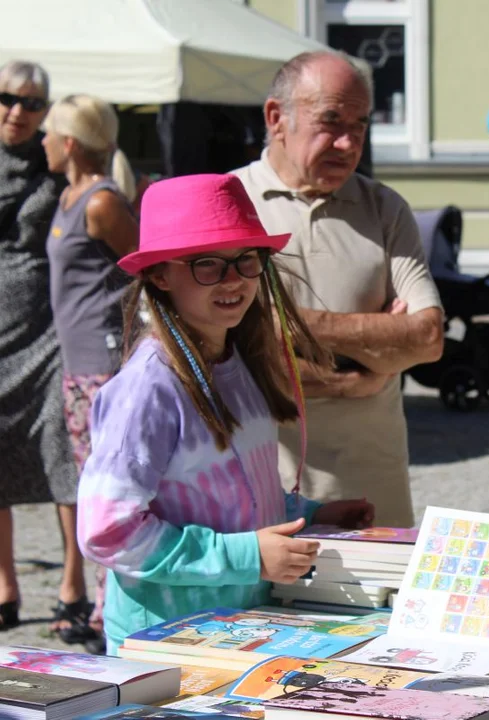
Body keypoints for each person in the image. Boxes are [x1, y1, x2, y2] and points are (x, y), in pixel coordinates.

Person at [76, 174, 376, 654]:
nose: (233, 278)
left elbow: (229, 493)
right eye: (206, 265)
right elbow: (107, 530)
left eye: (245, 260)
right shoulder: (146, 389)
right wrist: (247, 556)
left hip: (238, 629)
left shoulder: (236, 359)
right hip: (164, 643)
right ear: (159, 275)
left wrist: (311, 515)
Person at [233, 51, 443, 528]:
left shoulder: (385, 208)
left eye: (361, 125)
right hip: (265, 498)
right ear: (276, 118)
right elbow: (235, 360)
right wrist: (369, 364)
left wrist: (291, 322)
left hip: (376, 492)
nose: (348, 143)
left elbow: (428, 338)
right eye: (330, 121)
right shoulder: (230, 204)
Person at [42, 94, 140, 650]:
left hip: (103, 371)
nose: (43, 142)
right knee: (89, 488)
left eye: (49, 133)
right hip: (77, 371)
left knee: (109, 492)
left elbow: (146, 266)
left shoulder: (101, 203)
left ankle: (109, 613)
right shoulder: (70, 196)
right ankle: (106, 607)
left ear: (70, 142)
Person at [0, 60, 81, 633]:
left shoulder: (56, 165)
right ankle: (3, 585)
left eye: (31, 103)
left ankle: (74, 583)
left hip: (50, 330)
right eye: (6, 98)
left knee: (63, 455)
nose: (16, 112)